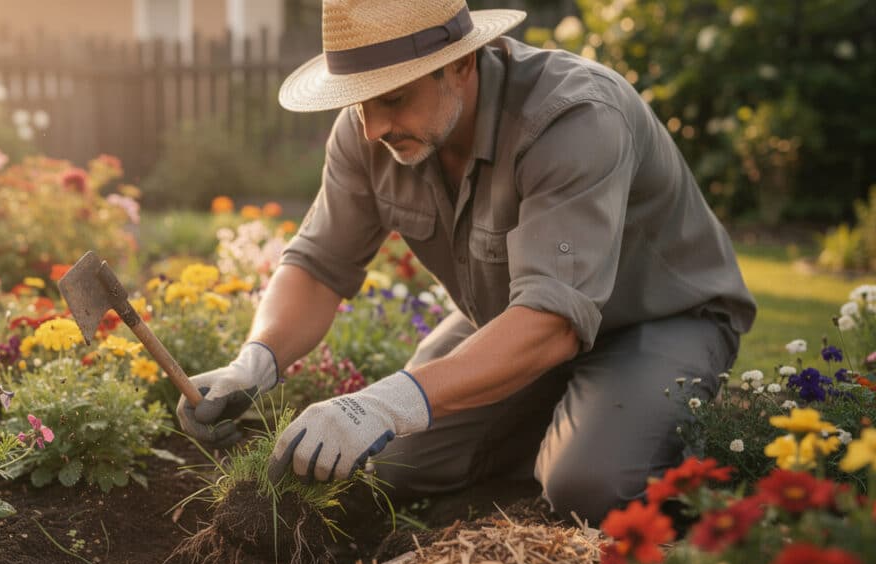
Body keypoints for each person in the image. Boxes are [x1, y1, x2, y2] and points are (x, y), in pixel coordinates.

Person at [177, 0, 756, 524]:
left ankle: (645, 436)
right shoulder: (373, 131)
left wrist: (386, 400)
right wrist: (254, 361)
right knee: (390, 465)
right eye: (359, 104)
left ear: (460, 63)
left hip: (657, 320)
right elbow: (319, 264)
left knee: (589, 484)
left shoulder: (573, 117)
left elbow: (552, 324)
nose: (373, 127)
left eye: (393, 97)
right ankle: (565, 419)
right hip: (512, 322)